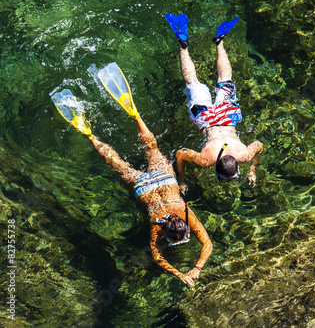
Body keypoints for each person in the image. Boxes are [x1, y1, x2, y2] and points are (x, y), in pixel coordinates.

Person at [51, 87, 213, 286]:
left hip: (165, 180)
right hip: (142, 188)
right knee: (116, 163)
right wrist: (183, 273)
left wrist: (197, 267)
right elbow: (158, 258)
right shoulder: (156, 228)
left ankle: (136, 116)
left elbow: (207, 243)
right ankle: (91, 136)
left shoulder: (187, 214)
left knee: (151, 148)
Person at [165, 14, 264, 191]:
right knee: (192, 82)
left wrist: (251, 167)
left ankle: (219, 41)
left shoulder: (244, 154)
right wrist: (181, 180)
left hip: (227, 117)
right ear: (217, 171)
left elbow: (258, 145)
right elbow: (180, 154)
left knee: (225, 78)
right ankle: (183, 46)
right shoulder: (205, 160)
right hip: (206, 120)